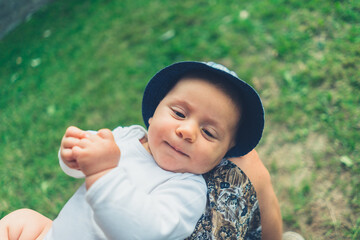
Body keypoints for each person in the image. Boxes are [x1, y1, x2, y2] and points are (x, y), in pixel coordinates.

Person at [0, 61, 268, 239]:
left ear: (221, 155)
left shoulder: (187, 190)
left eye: (209, 133)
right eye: (178, 113)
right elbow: (83, 165)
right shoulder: (127, 137)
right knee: (22, 219)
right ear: (152, 114)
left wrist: (103, 172)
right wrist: (73, 154)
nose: (187, 131)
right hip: (55, 234)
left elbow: (139, 230)